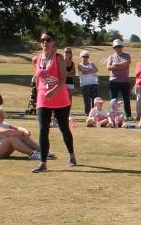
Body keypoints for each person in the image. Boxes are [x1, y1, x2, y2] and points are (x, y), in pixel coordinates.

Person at [31, 32, 78, 173]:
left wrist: (53, 91)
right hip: (43, 97)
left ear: (53, 42)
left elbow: (63, 79)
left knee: (64, 128)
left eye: (48, 40)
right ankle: (43, 163)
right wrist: (36, 94)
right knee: (43, 129)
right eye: (43, 40)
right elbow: (38, 78)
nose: (45, 42)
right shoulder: (36, 59)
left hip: (60, 97)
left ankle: (71, 155)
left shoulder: (59, 59)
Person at [107, 39, 132, 119]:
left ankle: (128, 115)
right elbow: (108, 67)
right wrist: (120, 65)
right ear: (114, 48)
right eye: (116, 47)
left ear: (122, 47)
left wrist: (115, 65)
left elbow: (126, 63)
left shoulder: (127, 55)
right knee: (113, 100)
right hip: (113, 81)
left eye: (119, 46)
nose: (118, 48)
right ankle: (114, 115)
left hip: (124, 81)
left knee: (126, 99)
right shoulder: (111, 57)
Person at [78, 50, 100, 115]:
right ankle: (88, 113)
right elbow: (83, 72)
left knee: (95, 99)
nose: (85, 58)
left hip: (93, 83)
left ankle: (95, 112)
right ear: (81, 57)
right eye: (84, 56)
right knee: (87, 100)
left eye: (87, 56)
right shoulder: (79, 65)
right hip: (84, 84)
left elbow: (96, 70)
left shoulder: (92, 64)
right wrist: (91, 70)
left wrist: (88, 70)